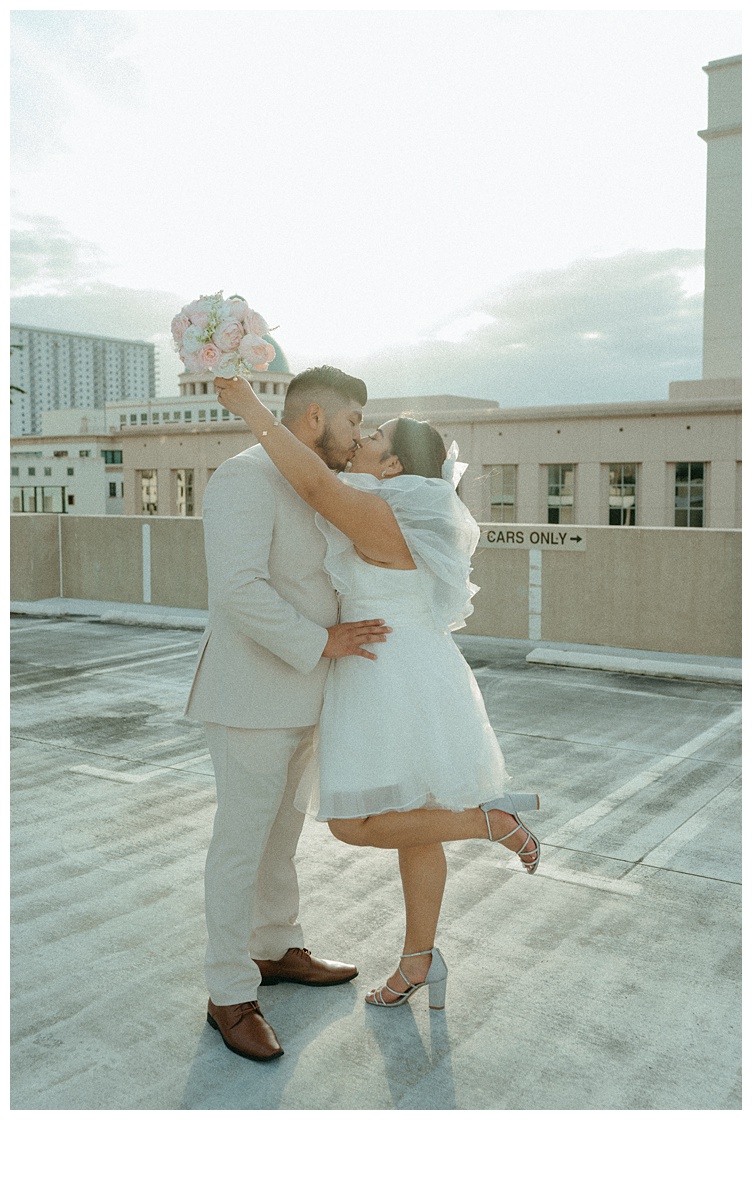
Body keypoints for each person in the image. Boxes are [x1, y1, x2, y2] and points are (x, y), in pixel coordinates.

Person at [212, 373, 542, 1015]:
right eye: (359, 424)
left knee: (353, 823)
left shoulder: (383, 512)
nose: (362, 435)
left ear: (392, 464)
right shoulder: (407, 509)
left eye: (374, 433)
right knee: (417, 825)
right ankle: (420, 960)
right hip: (408, 672)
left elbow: (312, 484)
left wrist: (250, 406)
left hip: (386, 675)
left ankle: (491, 820)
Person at [186, 365, 394, 1062]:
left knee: (281, 835)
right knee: (240, 844)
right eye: (353, 424)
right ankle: (228, 992)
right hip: (248, 696)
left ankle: (275, 948)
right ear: (314, 418)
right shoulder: (246, 477)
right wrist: (323, 642)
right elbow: (237, 588)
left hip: (309, 694)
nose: (358, 437)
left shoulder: (318, 479)